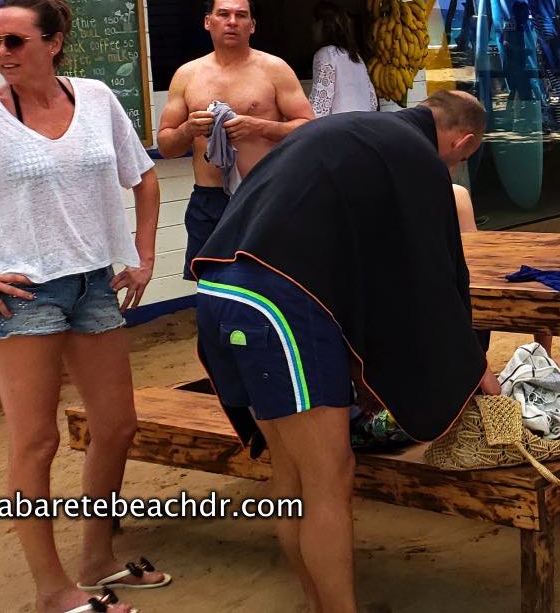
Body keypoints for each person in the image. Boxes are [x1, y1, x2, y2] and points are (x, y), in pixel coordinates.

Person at [0, 0, 166, 613]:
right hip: (25, 295)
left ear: (53, 42)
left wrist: (144, 255)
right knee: (35, 443)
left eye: (13, 41)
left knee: (117, 425)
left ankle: (98, 559)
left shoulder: (96, 97)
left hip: (95, 283)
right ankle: (53, 591)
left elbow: (145, 174)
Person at [192, 89, 495, 612]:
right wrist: (473, 368)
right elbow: (433, 276)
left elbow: (364, 266)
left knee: (290, 477)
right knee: (329, 478)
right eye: (460, 161)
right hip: (277, 306)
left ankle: (319, 603)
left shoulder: (352, 128)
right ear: (461, 141)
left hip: (219, 289)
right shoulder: (417, 157)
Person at [157, 0, 315, 279]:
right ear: (208, 22)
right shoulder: (188, 75)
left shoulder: (274, 69)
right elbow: (166, 145)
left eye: (241, 15)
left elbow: (308, 126)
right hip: (210, 198)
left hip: (262, 192)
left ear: (252, 25)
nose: (232, 21)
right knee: (211, 285)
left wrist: (260, 127)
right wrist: (189, 129)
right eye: (224, 14)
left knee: (269, 280)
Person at [308, 0, 376, 117]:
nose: (311, 28)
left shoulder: (326, 55)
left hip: (341, 128)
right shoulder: (356, 57)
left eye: (314, 22)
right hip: (364, 124)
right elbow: (373, 102)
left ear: (324, 25)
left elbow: (319, 108)